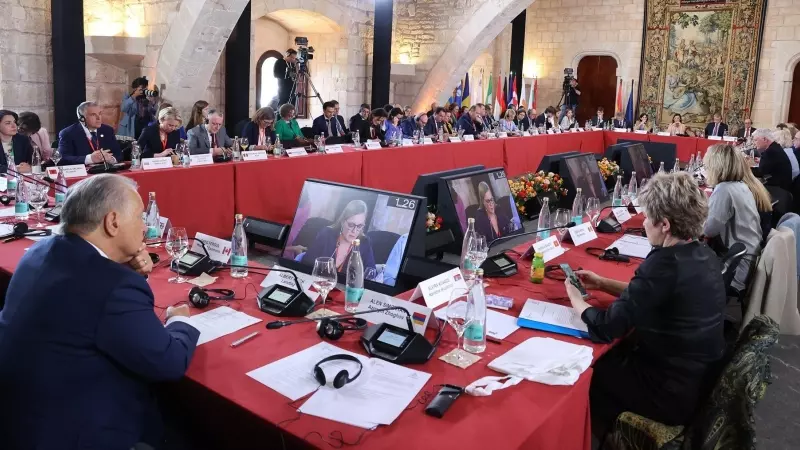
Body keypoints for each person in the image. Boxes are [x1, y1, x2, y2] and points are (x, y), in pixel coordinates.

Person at [0, 174, 200, 449]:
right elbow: (169, 362)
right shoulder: (113, 286)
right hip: (77, 433)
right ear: (113, 221)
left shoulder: (39, 251)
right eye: (141, 217)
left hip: (21, 419)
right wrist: (180, 321)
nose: (145, 227)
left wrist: (123, 269)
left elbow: (88, 300)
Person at [563, 172, 725, 435]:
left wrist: (574, 297)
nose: (645, 222)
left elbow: (605, 327)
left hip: (666, 393)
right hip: (695, 379)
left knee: (587, 375)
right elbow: (653, 294)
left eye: (648, 217)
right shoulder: (701, 252)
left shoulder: (664, 263)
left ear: (664, 225)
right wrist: (603, 283)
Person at [703, 144, 770, 292]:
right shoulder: (740, 185)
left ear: (716, 166)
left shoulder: (724, 189)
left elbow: (708, 230)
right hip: (749, 259)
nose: (706, 170)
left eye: (706, 166)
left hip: (736, 268)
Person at [301, 200, 377, 277]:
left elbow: (371, 272)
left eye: (359, 226)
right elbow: (306, 263)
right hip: (320, 283)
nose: (354, 231)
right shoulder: (326, 234)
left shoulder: (364, 242)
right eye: (351, 224)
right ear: (342, 221)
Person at [58, 101, 122, 166]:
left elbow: (118, 154)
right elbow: (63, 159)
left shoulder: (107, 130)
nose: (98, 118)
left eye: (100, 114)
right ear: (82, 118)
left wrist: (111, 159)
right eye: (93, 115)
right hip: (83, 174)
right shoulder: (68, 133)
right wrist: (90, 159)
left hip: (105, 172)